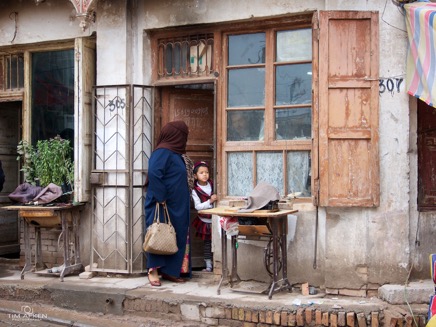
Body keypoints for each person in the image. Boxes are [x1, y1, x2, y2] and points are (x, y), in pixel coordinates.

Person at [144, 120, 193, 287]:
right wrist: (161, 197)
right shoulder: (162, 152)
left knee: (174, 236)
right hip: (162, 203)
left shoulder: (176, 154)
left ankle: (171, 271)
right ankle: (153, 271)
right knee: (158, 233)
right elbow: (154, 173)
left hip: (176, 205)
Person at [191, 161, 217, 272]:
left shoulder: (213, 184)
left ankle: (218, 263)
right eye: (201, 173)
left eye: (206, 172)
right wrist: (210, 201)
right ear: (195, 176)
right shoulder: (194, 190)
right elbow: (198, 206)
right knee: (207, 243)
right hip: (205, 220)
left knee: (217, 242)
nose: (205, 175)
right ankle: (208, 265)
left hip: (216, 218)